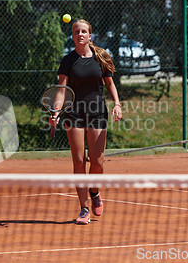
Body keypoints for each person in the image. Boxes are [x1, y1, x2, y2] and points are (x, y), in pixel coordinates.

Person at [50, 19, 122, 225]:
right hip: (74, 114)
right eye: (76, 31)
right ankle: (83, 208)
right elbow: (62, 90)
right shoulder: (67, 61)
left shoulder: (101, 58)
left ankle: (94, 190)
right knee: (79, 161)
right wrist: (56, 112)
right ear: (72, 36)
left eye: (84, 31)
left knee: (98, 163)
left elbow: (110, 83)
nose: (80, 34)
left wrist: (117, 104)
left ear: (90, 35)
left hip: (97, 113)